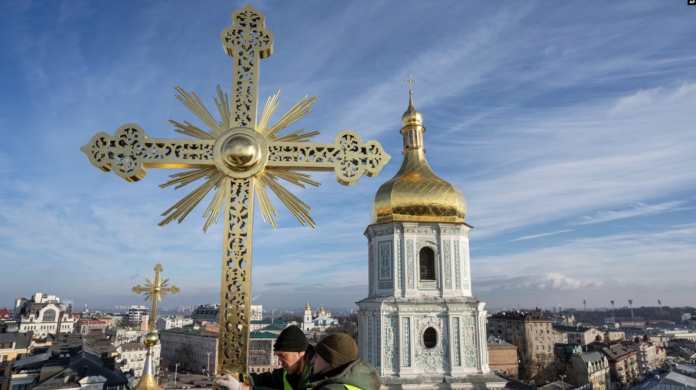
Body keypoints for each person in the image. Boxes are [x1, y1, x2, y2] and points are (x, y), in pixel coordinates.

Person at [217, 325, 314, 390]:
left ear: (300, 352)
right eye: (277, 355)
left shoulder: (318, 375)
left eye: (283, 355)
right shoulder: (286, 375)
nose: (279, 362)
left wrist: (242, 388)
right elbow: (261, 380)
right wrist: (236, 377)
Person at [301, 333, 380, 390]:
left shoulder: (330, 389)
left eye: (317, 356)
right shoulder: (361, 385)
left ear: (330, 360)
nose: (312, 361)